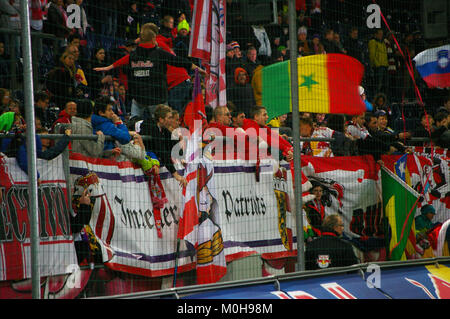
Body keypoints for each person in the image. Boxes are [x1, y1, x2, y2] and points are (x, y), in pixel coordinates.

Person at [93, 24, 205, 121]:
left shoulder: (134, 55)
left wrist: (108, 67)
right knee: (162, 125)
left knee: (134, 123)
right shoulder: (159, 52)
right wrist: (197, 68)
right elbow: (179, 61)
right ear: (153, 38)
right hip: (155, 98)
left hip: (139, 98)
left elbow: (121, 61)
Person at [139, 104, 186, 187]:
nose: (172, 120)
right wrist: (176, 175)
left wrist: (182, 158)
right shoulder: (152, 128)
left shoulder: (162, 128)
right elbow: (162, 151)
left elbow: (173, 143)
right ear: (161, 119)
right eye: (169, 118)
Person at [368, 29, 389, 95]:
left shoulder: (383, 43)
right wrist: (376, 64)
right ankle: (376, 99)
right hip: (378, 67)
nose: (381, 35)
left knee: (385, 84)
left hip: (384, 66)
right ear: (375, 34)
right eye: (379, 34)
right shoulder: (373, 42)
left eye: (382, 34)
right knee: (378, 85)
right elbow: (372, 54)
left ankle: (383, 99)